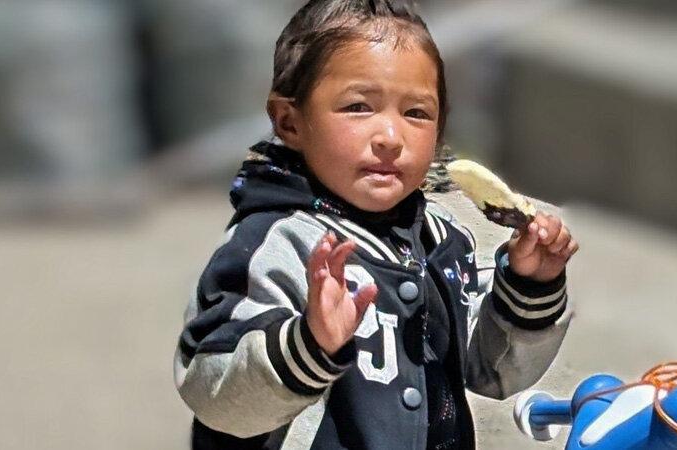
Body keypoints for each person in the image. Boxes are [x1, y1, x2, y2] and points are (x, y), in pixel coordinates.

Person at [173, 1, 578, 449]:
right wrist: (308, 344)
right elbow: (215, 397)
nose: (390, 137)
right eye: (359, 106)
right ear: (290, 121)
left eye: (417, 113)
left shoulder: (440, 238)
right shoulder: (272, 245)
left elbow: (492, 372)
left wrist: (529, 286)